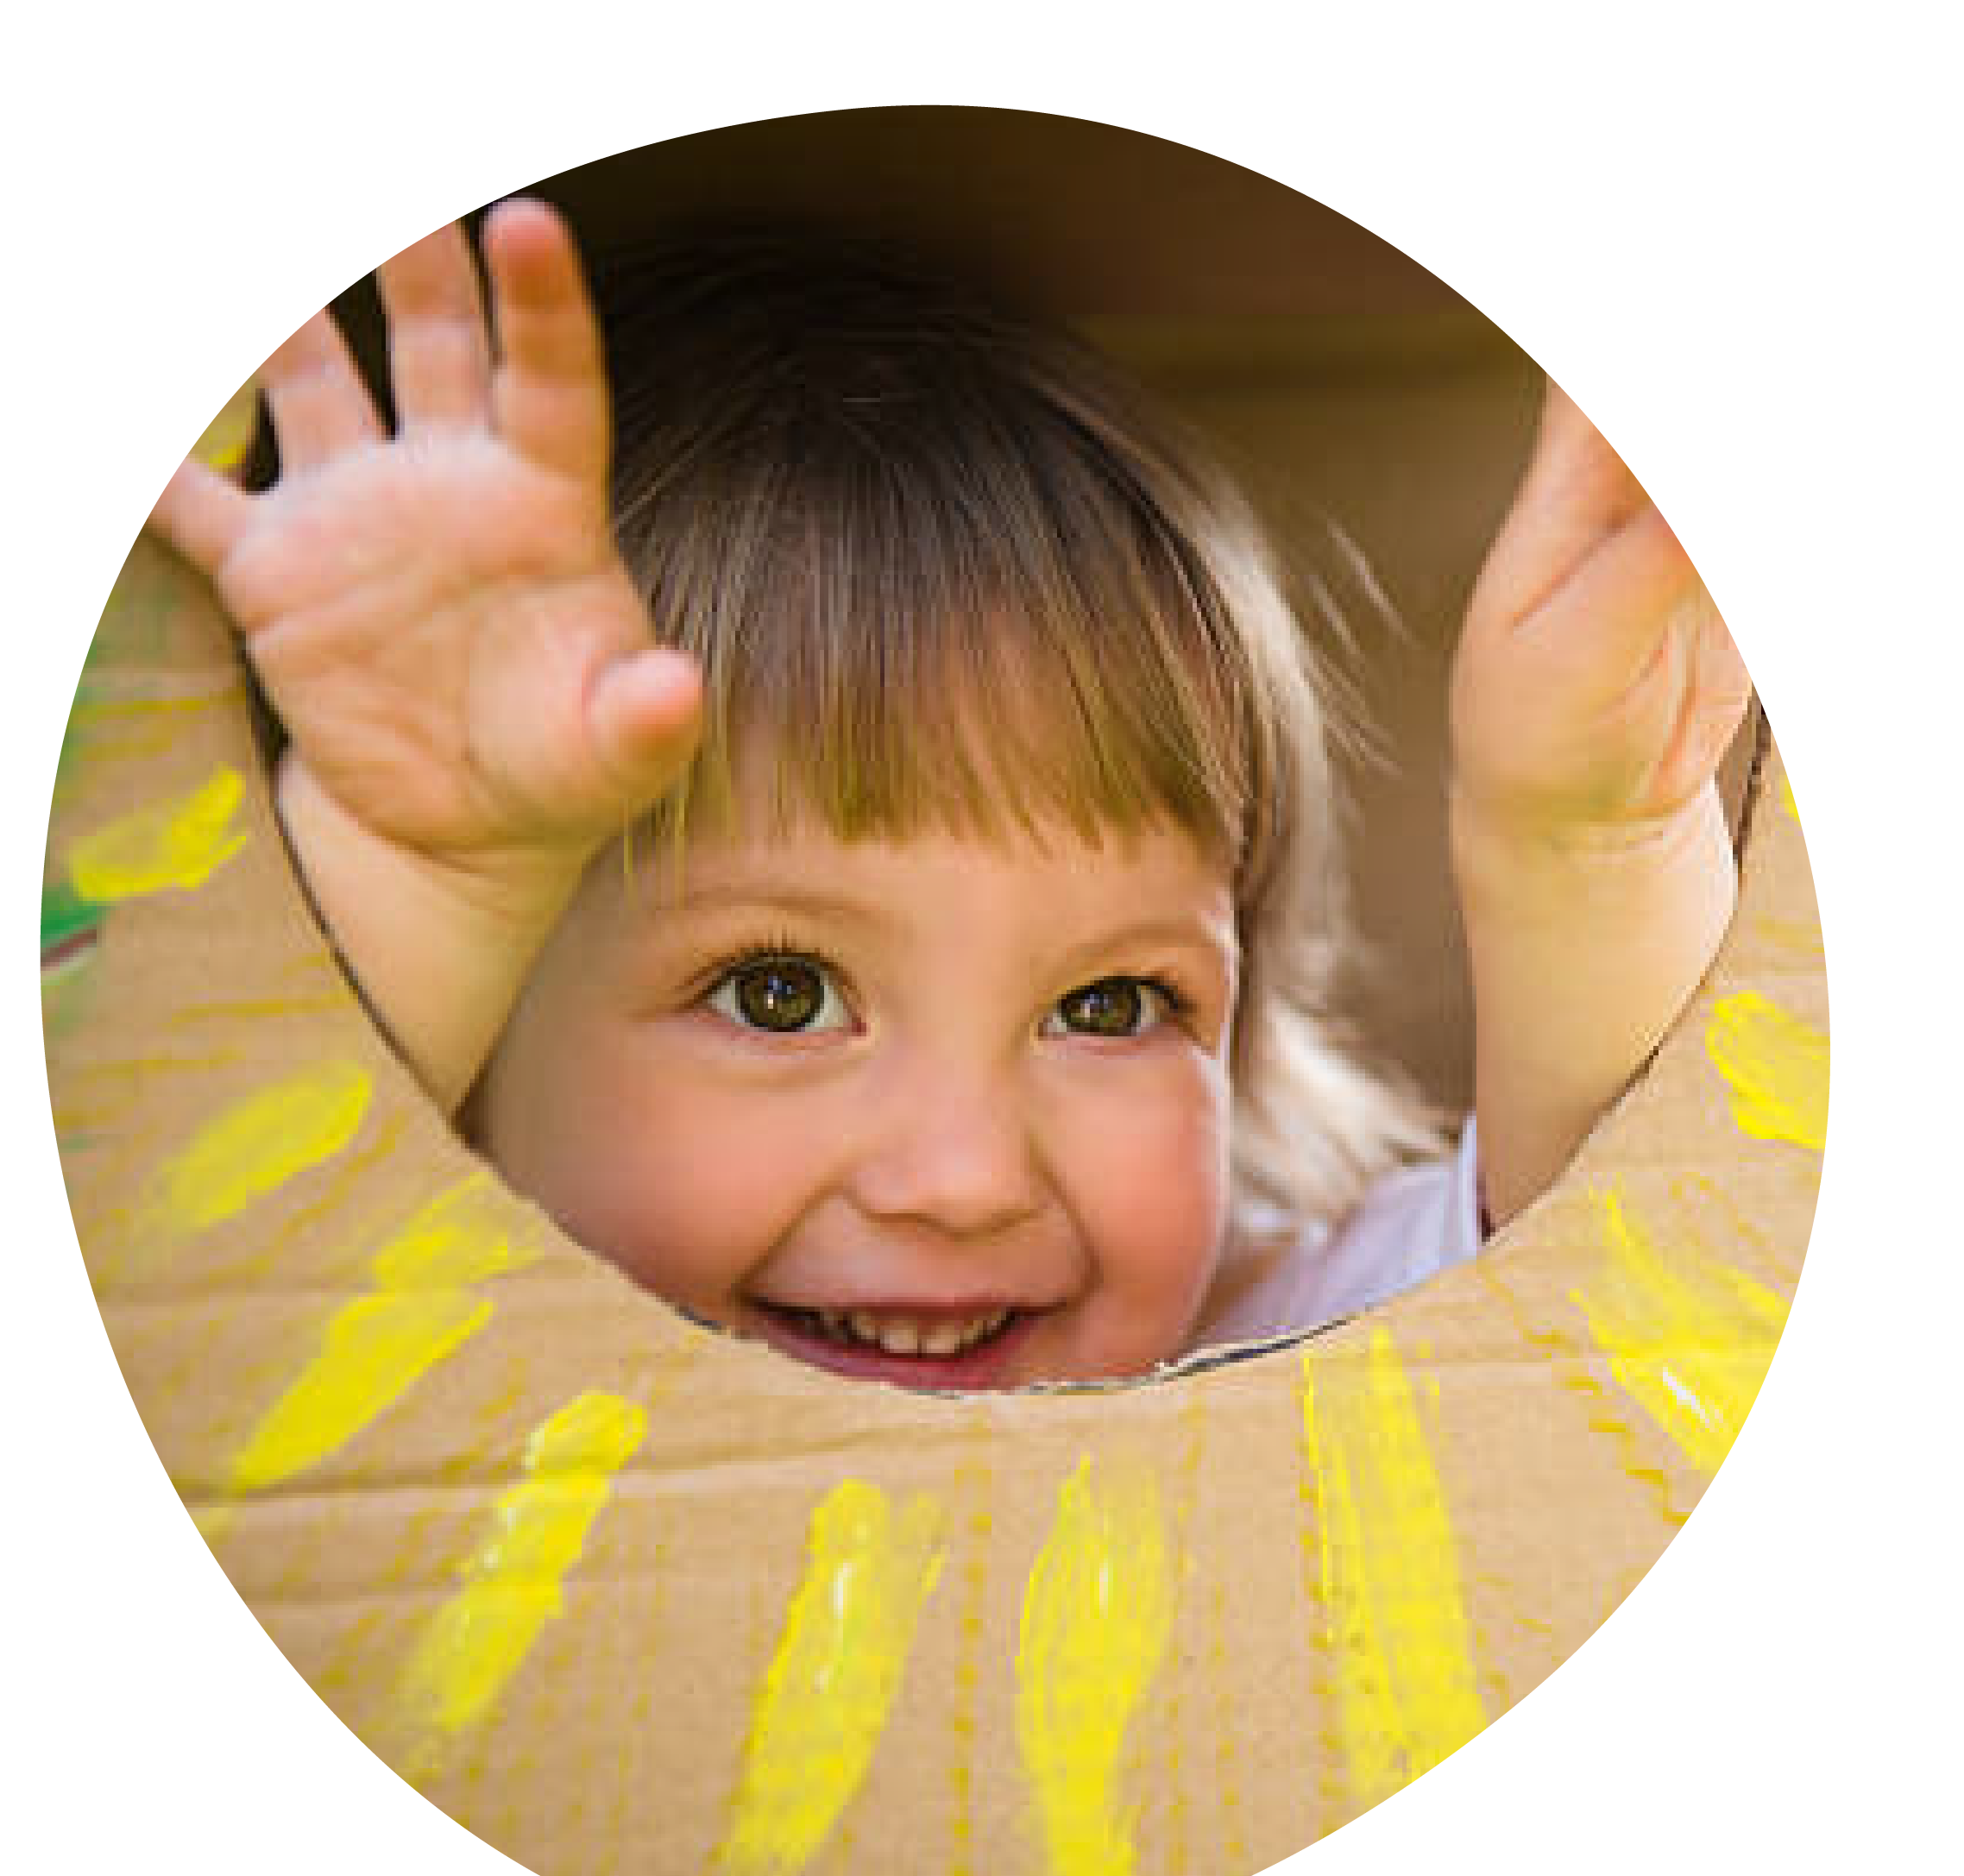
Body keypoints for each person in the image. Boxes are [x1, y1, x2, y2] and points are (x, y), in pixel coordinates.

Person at [147, 196, 1747, 1389]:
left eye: (1114, 1003)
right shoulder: (419, 1370)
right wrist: (427, 885)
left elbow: (1591, 1277)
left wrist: (1584, 846)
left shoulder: (1251, 1341)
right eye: (779, 991)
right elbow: (226, 1286)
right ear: (472, 1072)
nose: (966, 1177)